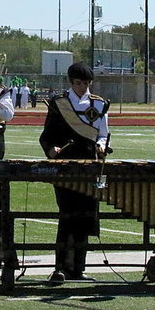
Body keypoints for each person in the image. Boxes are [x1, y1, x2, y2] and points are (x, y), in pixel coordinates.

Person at [39, 62, 110, 283]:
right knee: (67, 216)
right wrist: (51, 150)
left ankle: (78, 268)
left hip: (89, 168)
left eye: (86, 83)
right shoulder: (59, 103)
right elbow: (46, 136)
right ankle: (60, 267)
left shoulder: (99, 105)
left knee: (86, 217)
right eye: (78, 83)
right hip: (65, 168)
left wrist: (101, 145)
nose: (82, 88)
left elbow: (104, 133)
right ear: (71, 82)